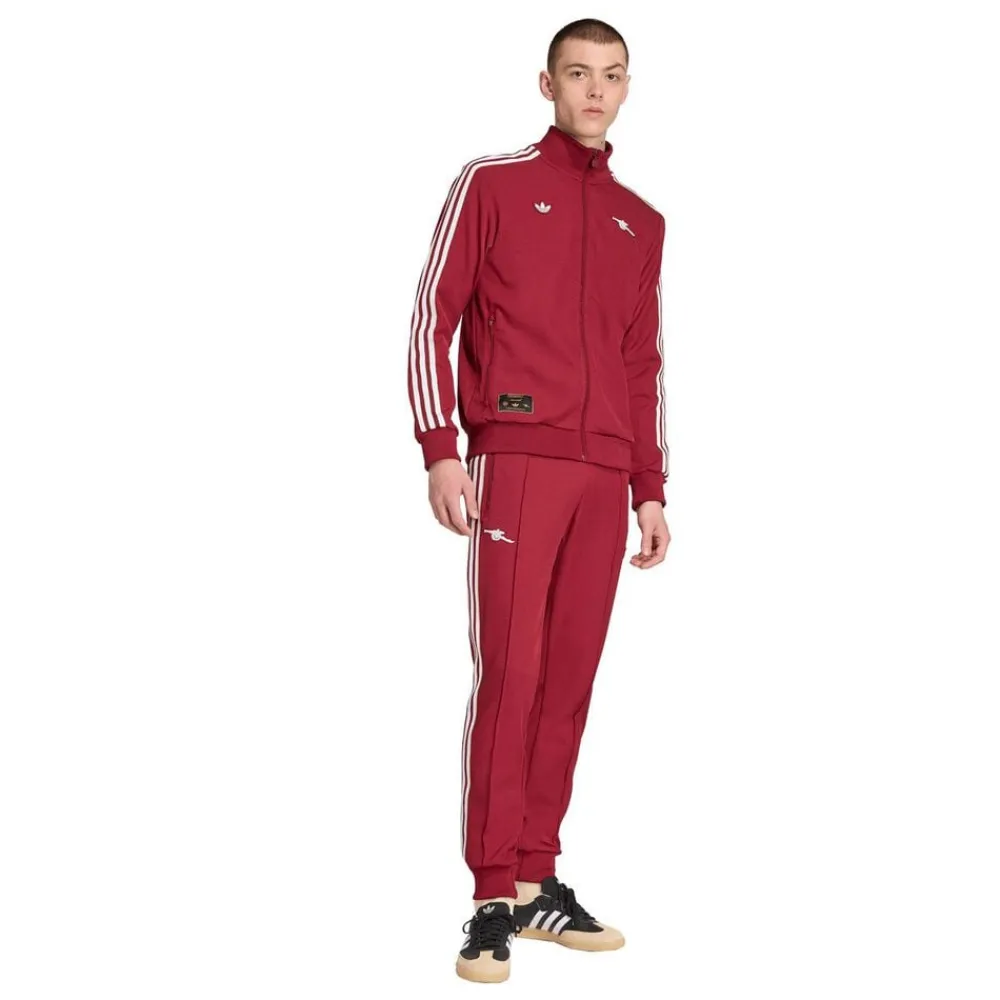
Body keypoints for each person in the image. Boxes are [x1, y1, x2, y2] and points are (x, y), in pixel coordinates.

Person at [406, 18, 670, 984]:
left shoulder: (642, 220)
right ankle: (489, 894)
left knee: (568, 682)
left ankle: (534, 880)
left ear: (627, 87)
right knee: (510, 673)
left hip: (606, 477)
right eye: (579, 74)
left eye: (612, 76)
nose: (596, 91)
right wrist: (442, 449)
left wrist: (650, 487)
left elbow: (643, 362)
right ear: (547, 84)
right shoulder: (493, 183)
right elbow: (432, 316)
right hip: (515, 459)